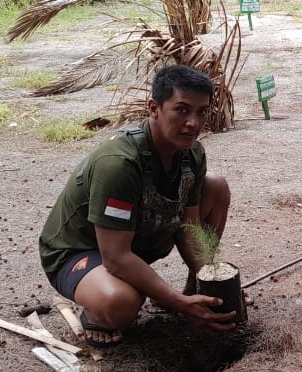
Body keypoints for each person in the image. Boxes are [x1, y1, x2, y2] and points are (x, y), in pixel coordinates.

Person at [39, 65, 235, 347]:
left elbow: (190, 226)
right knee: (120, 302)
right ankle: (95, 313)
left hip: (134, 238)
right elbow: (116, 257)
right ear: (154, 108)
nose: (193, 122)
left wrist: (214, 285)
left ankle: (195, 289)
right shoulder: (119, 163)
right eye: (182, 109)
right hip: (80, 252)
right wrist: (178, 303)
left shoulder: (191, 153)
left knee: (215, 186)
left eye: (202, 112)